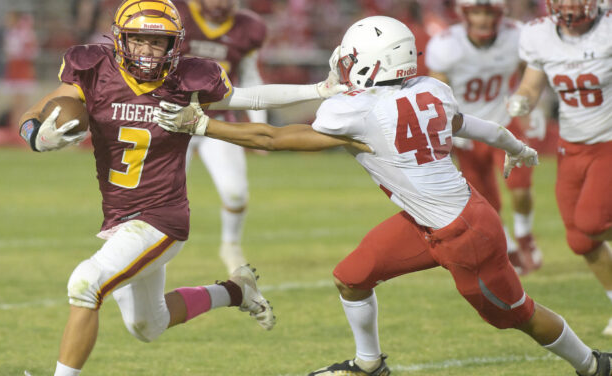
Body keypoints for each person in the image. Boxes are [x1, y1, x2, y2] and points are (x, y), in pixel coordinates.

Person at [156, 15, 612, 376]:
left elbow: (273, 140)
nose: (345, 64)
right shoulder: (431, 88)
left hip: (465, 234)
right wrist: (516, 146)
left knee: (518, 316)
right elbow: (469, 125)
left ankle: (592, 364)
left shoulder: (357, 110)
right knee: (352, 276)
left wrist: (202, 125)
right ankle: (369, 365)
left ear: (374, 62)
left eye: (353, 57)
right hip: (432, 219)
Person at [17, 1, 345, 375]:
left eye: (158, 42)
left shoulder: (186, 79)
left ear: (174, 45)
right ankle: (237, 291)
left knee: (85, 282)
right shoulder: (93, 68)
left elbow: (252, 97)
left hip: (161, 219)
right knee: (147, 325)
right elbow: (38, 111)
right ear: (120, 40)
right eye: (139, 40)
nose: (147, 50)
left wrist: (320, 89)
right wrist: (36, 137)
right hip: (120, 217)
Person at [507, 0, 612, 336]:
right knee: (580, 239)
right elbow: (530, 86)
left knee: (592, 221)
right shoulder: (538, 35)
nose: (569, 3)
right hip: (572, 146)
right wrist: (521, 106)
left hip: (609, 142)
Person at [425, 0, 544, 276]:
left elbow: (534, 70)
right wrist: (445, 131)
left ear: (500, 14)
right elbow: (437, 93)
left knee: (522, 188)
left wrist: (530, 102)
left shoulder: (517, 35)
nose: (484, 19)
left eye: (490, 12)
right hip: (468, 128)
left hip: (505, 118)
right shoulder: (446, 45)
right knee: (487, 202)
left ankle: (525, 234)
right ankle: (510, 247)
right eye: (477, 12)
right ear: (465, 14)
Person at [171, 0, 267, 274]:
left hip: (219, 120)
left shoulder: (248, 27)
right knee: (165, 195)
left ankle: (231, 245)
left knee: (235, 193)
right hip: (175, 120)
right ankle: (153, 249)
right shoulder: (176, 14)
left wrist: (258, 121)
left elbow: (249, 75)